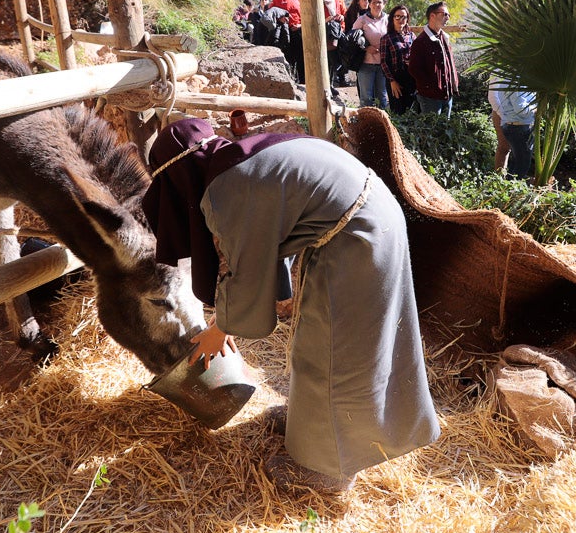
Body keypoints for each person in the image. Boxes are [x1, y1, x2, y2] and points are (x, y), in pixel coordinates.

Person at [143, 118, 440, 493]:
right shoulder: (244, 158)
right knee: (320, 340)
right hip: (370, 222)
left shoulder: (227, 188)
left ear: (177, 179)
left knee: (336, 351)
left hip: (356, 237)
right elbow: (272, 233)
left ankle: (328, 469)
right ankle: (311, 423)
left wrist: (221, 328)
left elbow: (248, 269)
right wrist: (230, 317)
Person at [407, 2, 459, 116]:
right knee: (432, 130)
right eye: (444, 14)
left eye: (448, 15)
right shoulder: (421, 42)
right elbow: (414, 69)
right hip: (430, 97)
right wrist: (429, 87)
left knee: (445, 130)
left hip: (447, 95)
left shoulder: (444, 38)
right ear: (432, 16)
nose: (447, 18)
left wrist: (453, 84)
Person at [352, 0, 390, 108]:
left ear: (384, 4)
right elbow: (352, 38)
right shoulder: (362, 20)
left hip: (384, 64)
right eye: (373, 2)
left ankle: (383, 123)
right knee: (366, 98)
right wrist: (366, 47)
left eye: (379, 2)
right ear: (369, 4)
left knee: (382, 98)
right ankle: (365, 123)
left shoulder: (388, 19)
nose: (376, 5)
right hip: (366, 64)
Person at [491, 80, 537, 178]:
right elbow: (520, 109)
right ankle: (511, 191)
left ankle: (508, 189)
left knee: (517, 164)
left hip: (515, 126)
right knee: (521, 166)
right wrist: (537, 109)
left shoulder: (510, 78)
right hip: (518, 127)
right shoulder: (515, 80)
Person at [378, 4, 417, 115]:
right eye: (397, 16)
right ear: (392, 18)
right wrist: (392, 81)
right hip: (395, 78)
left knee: (411, 110)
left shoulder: (411, 36)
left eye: (403, 17)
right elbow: (384, 62)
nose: (401, 19)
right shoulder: (387, 38)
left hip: (411, 78)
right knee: (397, 110)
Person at [270, 0, 304, 84]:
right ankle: (289, 80)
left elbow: (304, 15)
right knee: (288, 57)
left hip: (297, 30)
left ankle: (303, 81)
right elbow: (271, 13)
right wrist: (280, 19)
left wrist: (300, 25)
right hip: (284, 31)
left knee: (301, 57)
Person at [321, 0, 349, 87]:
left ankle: (339, 79)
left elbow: (344, 12)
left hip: (339, 30)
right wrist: (326, 20)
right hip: (325, 33)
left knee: (342, 54)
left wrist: (341, 17)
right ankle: (328, 85)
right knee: (329, 59)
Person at [487, 77, 511, 171]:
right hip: (501, 113)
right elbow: (492, 96)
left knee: (520, 150)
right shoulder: (499, 69)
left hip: (521, 114)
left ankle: (517, 180)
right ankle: (499, 178)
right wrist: (504, 115)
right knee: (504, 147)